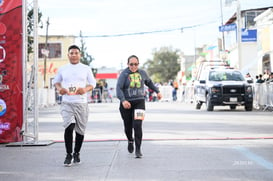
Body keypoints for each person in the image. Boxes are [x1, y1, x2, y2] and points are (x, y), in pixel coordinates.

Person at [53, 45, 96, 166]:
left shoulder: (86, 68)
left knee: (80, 131)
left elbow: (93, 83)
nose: (74, 55)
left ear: (80, 55)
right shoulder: (63, 69)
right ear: (68, 55)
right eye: (71, 53)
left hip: (81, 103)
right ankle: (68, 154)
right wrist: (60, 89)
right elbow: (56, 82)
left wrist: (85, 89)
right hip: (67, 102)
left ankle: (77, 153)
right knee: (69, 126)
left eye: (76, 53)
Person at [116, 55, 162, 158]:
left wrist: (157, 91)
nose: (133, 66)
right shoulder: (124, 74)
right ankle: (130, 140)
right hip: (126, 104)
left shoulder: (142, 73)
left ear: (138, 64)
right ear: (128, 64)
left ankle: (138, 149)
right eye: (131, 64)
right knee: (128, 127)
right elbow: (118, 88)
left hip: (139, 102)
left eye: (136, 64)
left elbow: (149, 83)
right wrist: (123, 100)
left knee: (137, 125)